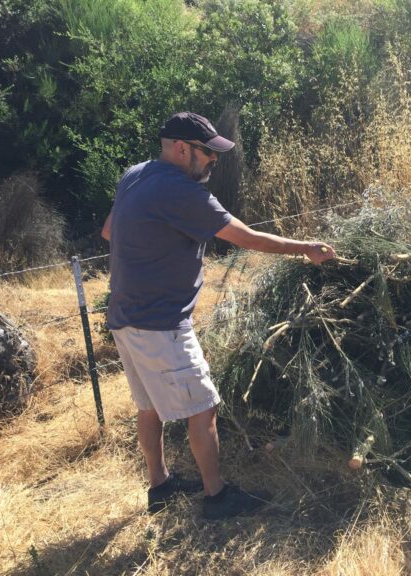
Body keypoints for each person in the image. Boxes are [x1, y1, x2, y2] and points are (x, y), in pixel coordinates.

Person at [101, 111, 336, 520]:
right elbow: (246, 238)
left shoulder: (135, 175)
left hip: (125, 316)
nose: (214, 161)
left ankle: (160, 485)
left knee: (149, 406)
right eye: (207, 153)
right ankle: (217, 496)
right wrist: (305, 248)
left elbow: (109, 230)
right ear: (181, 149)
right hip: (160, 323)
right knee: (203, 407)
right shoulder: (181, 191)